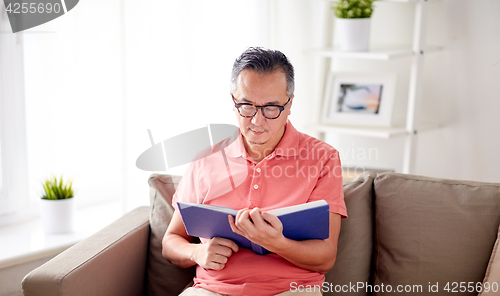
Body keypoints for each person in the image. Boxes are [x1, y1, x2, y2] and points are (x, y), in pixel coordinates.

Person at [162, 47, 347, 296]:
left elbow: (325, 258)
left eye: (271, 108)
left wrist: (276, 243)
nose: (257, 121)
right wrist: (197, 253)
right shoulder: (206, 159)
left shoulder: (323, 158)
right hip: (212, 290)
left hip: (290, 290)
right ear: (234, 101)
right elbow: (171, 241)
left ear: (290, 103)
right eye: (247, 105)